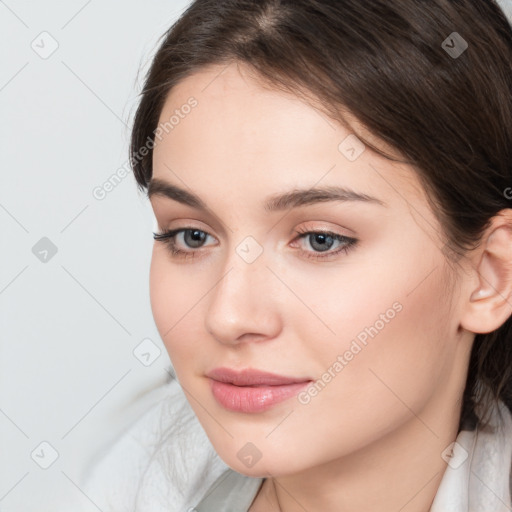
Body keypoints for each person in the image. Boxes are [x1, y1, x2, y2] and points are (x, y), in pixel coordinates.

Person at [78, 1, 512, 510]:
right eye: (192, 236)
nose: (228, 316)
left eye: (320, 240)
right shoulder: (118, 479)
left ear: (490, 275)